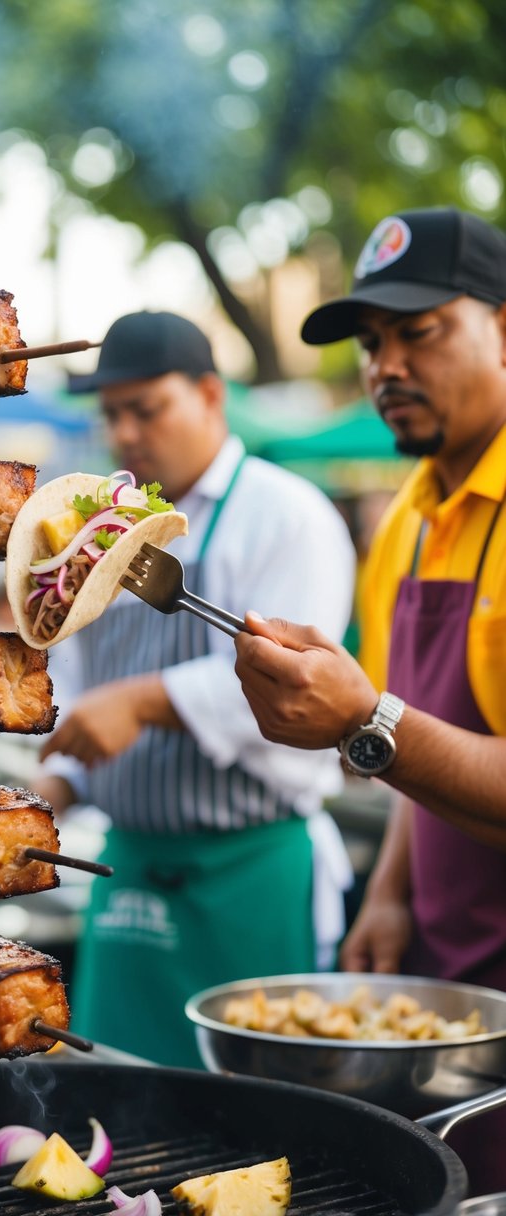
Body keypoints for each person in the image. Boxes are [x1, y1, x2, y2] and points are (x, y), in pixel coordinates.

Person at [233, 206, 506, 1193]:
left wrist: (361, 718)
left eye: (418, 330)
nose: (385, 364)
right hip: (450, 993)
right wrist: (389, 889)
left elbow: (386, 724)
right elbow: (407, 743)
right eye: (370, 342)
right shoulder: (405, 523)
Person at [31, 309, 357, 1068]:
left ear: (210, 395)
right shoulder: (103, 537)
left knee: (251, 1125)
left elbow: (296, 689)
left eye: (147, 409)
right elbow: (84, 705)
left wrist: (143, 702)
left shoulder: (285, 514)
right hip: (130, 877)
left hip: (247, 879)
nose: (126, 434)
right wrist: (50, 789)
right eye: (112, 414)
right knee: (114, 1101)